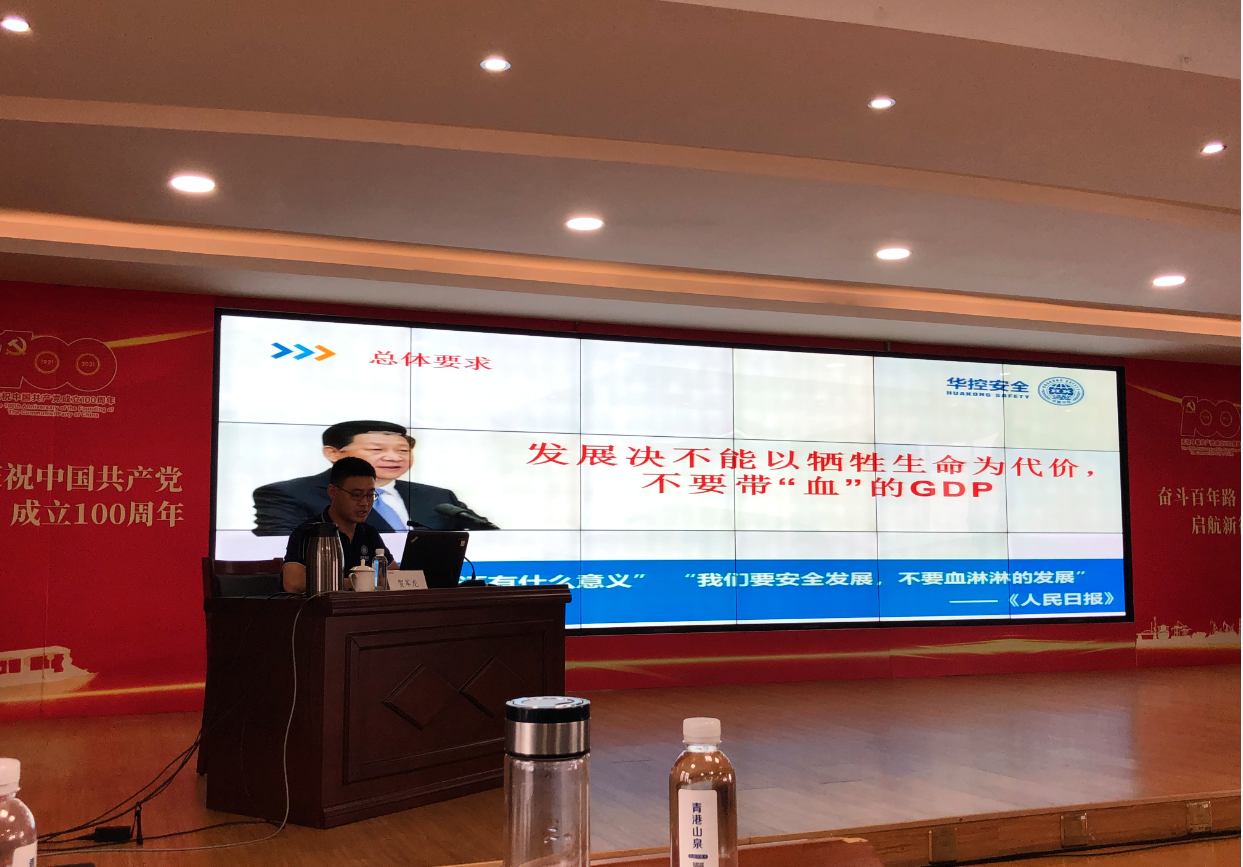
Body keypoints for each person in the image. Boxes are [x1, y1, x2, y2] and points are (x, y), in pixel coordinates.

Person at [252, 419, 490, 535]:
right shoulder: (287, 494)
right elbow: (281, 548)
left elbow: (483, 538)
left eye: (403, 450)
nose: (393, 457)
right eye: (377, 449)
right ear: (333, 453)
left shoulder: (437, 497)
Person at [281, 457, 394, 593]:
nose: (364, 503)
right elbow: (293, 583)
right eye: (356, 495)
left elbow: (396, 576)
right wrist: (356, 582)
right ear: (333, 492)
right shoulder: (309, 532)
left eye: (370, 495)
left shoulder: (369, 533)